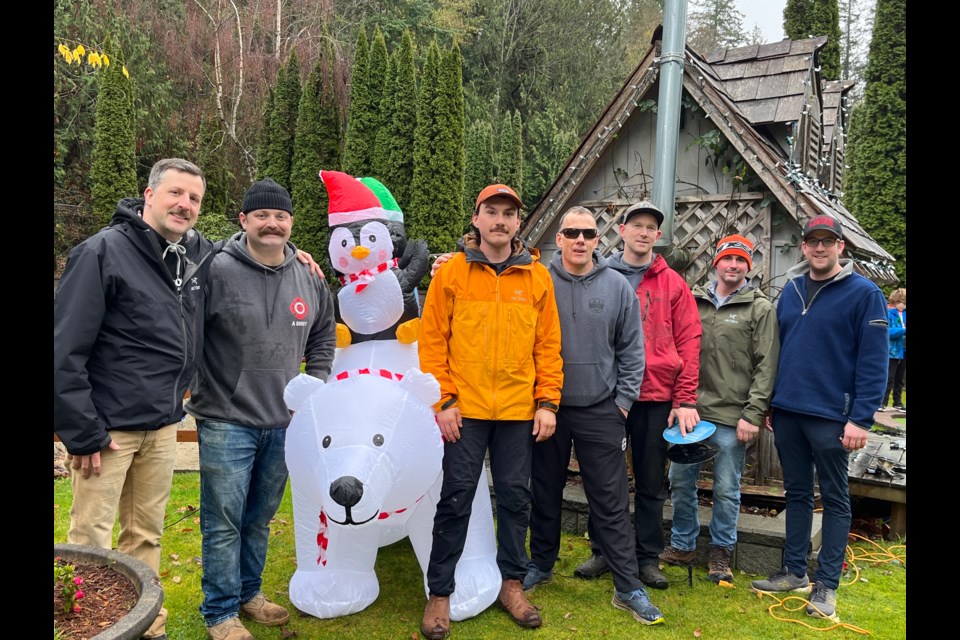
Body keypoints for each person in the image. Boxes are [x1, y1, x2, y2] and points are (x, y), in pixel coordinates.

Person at [54, 158, 215, 640]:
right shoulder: (102, 252)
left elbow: (255, 248)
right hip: (107, 432)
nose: (185, 205)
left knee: (145, 536)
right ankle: (84, 628)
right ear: (148, 195)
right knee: (90, 543)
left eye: (195, 199)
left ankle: (146, 625)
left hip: (164, 425)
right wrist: (82, 434)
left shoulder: (194, 257)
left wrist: (298, 255)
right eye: (176, 194)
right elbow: (63, 350)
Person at [184, 179, 337, 640]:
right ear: (244, 220)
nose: (272, 223)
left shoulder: (309, 276)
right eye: (262, 215)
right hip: (227, 421)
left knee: (259, 518)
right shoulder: (214, 269)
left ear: (291, 223)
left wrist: (317, 385)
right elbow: (187, 329)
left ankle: (250, 594)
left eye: (281, 216)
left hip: (283, 424)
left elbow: (324, 335)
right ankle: (220, 613)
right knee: (223, 521)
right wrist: (195, 385)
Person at [417, 184, 563, 639]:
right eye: (491, 212)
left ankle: (512, 584)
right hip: (465, 409)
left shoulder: (537, 278)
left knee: (516, 499)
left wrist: (547, 402)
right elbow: (432, 340)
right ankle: (440, 593)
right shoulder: (453, 274)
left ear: (519, 223)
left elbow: (549, 346)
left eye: (508, 214)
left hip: (520, 411)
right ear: (476, 219)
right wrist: (443, 401)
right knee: (456, 498)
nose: (500, 221)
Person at [522, 207, 664, 624]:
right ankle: (541, 565)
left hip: (601, 408)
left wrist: (621, 404)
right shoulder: (538, 282)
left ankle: (628, 586)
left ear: (599, 240)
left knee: (611, 500)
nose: (580, 240)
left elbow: (632, 350)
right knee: (544, 491)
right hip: (547, 408)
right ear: (559, 239)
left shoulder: (617, 286)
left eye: (588, 233)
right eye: (572, 233)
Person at [750, 215, 888, 622]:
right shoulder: (790, 291)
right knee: (795, 493)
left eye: (829, 241)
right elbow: (780, 350)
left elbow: (874, 361)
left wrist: (861, 419)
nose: (820, 248)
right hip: (789, 413)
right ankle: (794, 571)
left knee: (834, 498)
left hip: (834, 416)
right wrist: (774, 402)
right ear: (804, 247)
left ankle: (826, 585)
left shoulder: (865, 294)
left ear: (841, 247)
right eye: (814, 241)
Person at [574, 200, 702, 590]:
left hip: (655, 397)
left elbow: (690, 340)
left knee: (650, 482)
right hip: (606, 396)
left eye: (651, 227)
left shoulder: (672, 283)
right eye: (637, 225)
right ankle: (602, 551)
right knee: (602, 478)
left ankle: (647, 558)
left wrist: (684, 400)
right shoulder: (600, 275)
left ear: (657, 236)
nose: (644, 232)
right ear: (622, 230)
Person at [659, 235, 779, 583]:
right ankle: (682, 544)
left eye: (741, 261)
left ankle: (720, 551)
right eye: (728, 259)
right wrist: (676, 401)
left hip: (733, 414)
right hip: (690, 411)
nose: (734, 265)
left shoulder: (759, 309)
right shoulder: (693, 301)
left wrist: (753, 414)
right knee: (680, 479)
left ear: (748, 267)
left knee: (727, 486)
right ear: (716, 263)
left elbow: (766, 366)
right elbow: (675, 351)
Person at [879, 288, 906, 412]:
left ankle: (898, 402)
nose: (904, 306)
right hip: (892, 350)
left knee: (900, 378)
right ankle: (882, 402)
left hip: (904, 350)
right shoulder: (889, 313)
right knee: (889, 377)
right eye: (903, 303)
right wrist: (903, 330)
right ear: (896, 301)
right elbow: (887, 331)